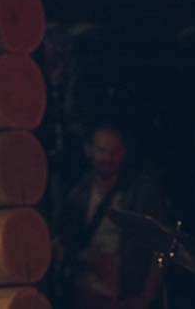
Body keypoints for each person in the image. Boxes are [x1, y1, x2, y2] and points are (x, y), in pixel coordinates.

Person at [54, 122, 172, 309]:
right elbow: (65, 244)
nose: (108, 158)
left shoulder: (139, 192)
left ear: (123, 154)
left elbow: (161, 245)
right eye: (102, 150)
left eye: (114, 152)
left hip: (124, 298)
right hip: (84, 295)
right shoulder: (76, 195)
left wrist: (147, 295)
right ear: (89, 150)